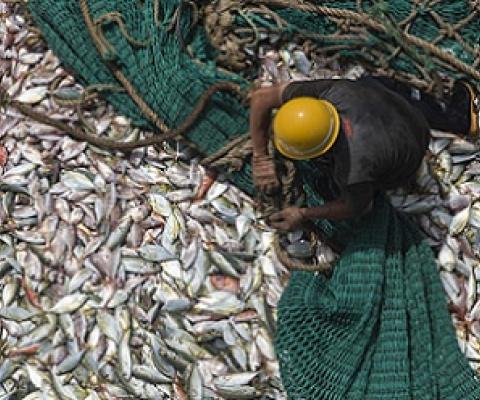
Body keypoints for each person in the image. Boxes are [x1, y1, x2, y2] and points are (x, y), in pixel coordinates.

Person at [249, 76, 479, 231]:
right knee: (367, 82)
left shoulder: (353, 169)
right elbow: (261, 98)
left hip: (411, 150)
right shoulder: (334, 92)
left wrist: (302, 213)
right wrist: (261, 157)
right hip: (398, 107)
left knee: (327, 184)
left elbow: (356, 206)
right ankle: (451, 116)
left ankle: (455, 122)